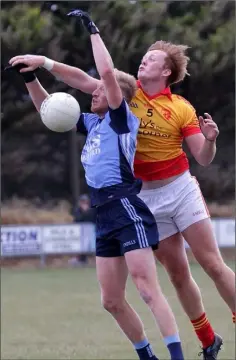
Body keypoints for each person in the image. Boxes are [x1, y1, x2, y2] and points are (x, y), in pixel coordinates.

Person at [9, 15, 235, 360]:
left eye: (152, 59)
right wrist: (43, 65)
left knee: (213, 264)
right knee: (177, 273)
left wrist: (211, 140)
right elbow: (84, 80)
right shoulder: (128, 94)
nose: (144, 59)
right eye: (144, 56)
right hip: (143, 196)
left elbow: (203, 158)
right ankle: (207, 340)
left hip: (179, 188)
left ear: (166, 73)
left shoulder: (180, 109)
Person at [70, 194, 96, 266]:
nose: (84, 203)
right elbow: (77, 220)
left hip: (92, 231)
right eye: (82, 201)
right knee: (81, 246)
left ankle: (95, 260)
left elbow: (92, 219)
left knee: (93, 246)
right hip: (81, 232)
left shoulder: (92, 210)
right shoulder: (77, 210)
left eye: (85, 201)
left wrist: (87, 211)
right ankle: (82, 260)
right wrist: (84, 212)